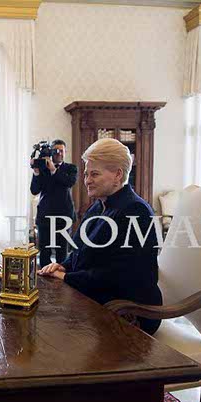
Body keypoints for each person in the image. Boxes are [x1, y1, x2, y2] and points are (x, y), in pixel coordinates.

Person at [38, 138, 162, 335]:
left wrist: (67, 277)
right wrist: (63, 266)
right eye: (86, 174)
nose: (87, 180)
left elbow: (118, 276)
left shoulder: (136, 211)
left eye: (94, 174)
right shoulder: (98, 205)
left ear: (118, 175)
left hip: (130, 313)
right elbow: (80, 251)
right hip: (96, 298)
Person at [30, 139, 77, 267]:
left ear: (65, 152)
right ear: (51, 152)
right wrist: (36, 172)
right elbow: (34, 190)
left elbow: (69, 182)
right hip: (45, 216)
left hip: (64, 216)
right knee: (44, 251)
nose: (59, 153)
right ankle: (45, 276)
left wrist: (53, 170)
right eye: (56, 151)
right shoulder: (42, 169)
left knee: (62, 251)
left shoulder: (71, 168)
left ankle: (61, 276)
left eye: (61, 151)